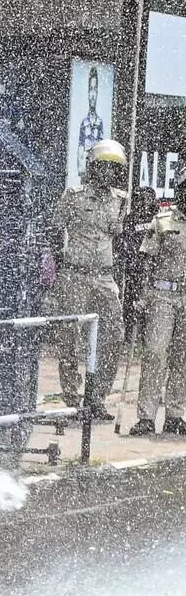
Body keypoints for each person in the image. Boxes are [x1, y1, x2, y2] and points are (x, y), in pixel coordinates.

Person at [46, 139, 128, 421]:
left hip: (104, 277)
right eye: (103, 167)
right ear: (92, 168)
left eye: (113, 169)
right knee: (69, 337)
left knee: (114, 336)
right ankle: (72, 398)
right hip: (75, 275)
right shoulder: (74, 196)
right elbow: (55, 231)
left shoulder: (120, 200)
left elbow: (118, 237)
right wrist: (62, 266)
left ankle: (97, 398)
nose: (108, 173)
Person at [130, 186, 186, 436]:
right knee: (155, 353)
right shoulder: (163, 220)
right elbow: (147, 261)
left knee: (182, 356)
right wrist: (143, 297)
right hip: (162, 294)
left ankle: (175, 415)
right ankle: (146, 416)